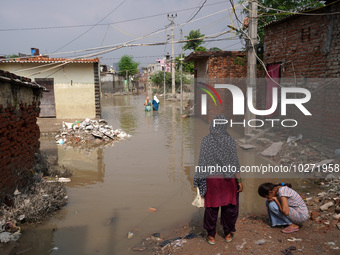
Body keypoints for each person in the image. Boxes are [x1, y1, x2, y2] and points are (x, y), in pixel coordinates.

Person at [193, 115, 243, 245]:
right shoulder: (230, 140)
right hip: (228, 179)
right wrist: (239, 180)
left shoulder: (206, 141)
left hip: (212, 180)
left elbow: (202, 162)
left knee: (211, 207)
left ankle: (211, 236)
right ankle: (227, 234)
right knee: (229, 207)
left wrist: (198, 180)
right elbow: (234, 162)